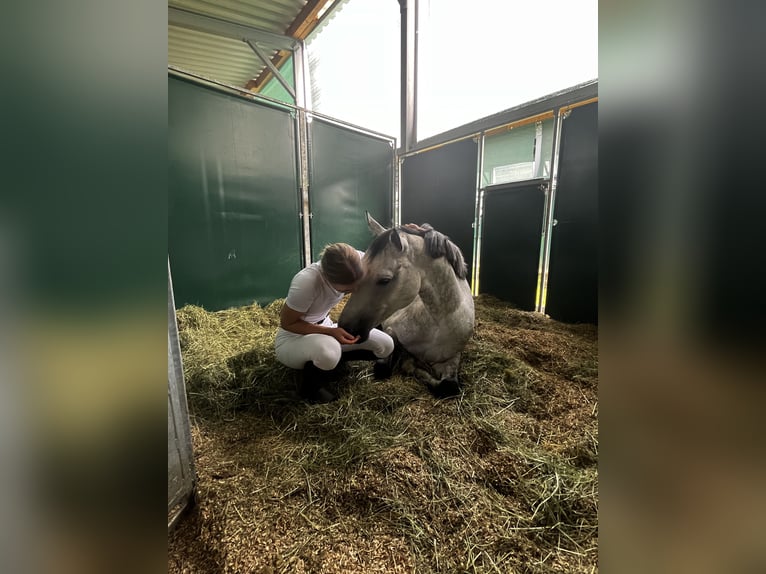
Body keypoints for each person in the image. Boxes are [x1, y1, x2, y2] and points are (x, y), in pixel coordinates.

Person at [275, 243, 395, 403]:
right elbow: (287, 323)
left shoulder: (360, 259)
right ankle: (309, 390)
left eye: (358, 284)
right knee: (329, 352)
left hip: (327, 326)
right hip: (294, 338)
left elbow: (391, 258)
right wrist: (330, 332)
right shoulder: (307, 281)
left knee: (386, 345)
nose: (354, 291)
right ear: (328, 278)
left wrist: (414, 230)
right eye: (347, 290)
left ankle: (329, 363)